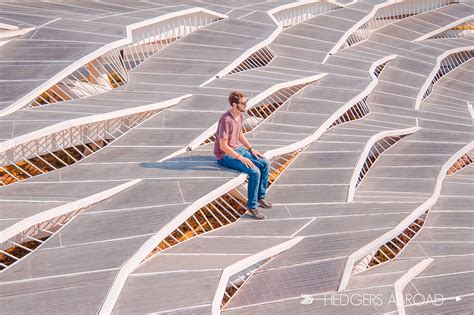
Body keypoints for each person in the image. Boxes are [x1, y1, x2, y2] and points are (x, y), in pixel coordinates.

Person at [214, 90, 272, 220]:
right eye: (243, 103)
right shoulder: (226, 119)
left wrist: (251, 149)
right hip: (225, 155)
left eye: (246, 102)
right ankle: (252, 207)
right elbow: (223, 146)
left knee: (265, 163)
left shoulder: (239, 115)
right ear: (234, 104)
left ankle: (260, 197)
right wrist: (240, 157)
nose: (246, 105)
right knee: (255, 171)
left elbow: (239, 135)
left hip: (237, 149)